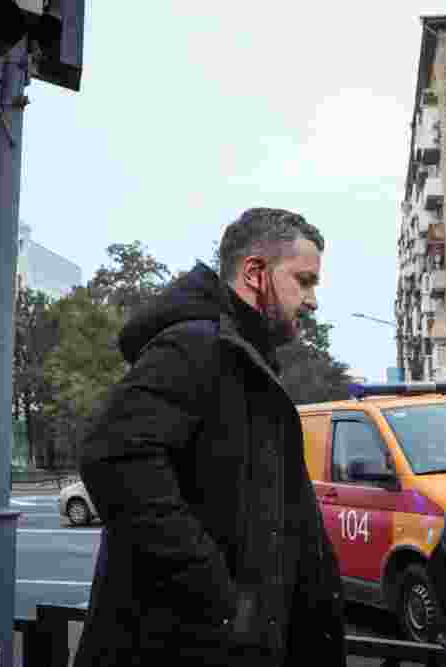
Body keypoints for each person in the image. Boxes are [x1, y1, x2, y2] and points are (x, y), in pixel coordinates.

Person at [73, 208, 345, 667]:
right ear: (255, 272)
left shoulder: (242, 357)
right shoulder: (196, 346)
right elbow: (114, 457)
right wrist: (219, 599)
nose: (313, 299)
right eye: (304, 280)